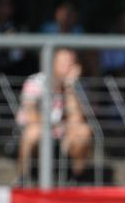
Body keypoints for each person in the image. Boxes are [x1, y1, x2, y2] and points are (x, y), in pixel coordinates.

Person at [15, 49, 92, 184]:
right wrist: (55, 126)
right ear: (52, 64)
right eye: (64, 62)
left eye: (71, 62)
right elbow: (32, 117)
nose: (69, 66)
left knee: (83, 132)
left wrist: (69, 88)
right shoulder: (35, 82)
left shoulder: (76, 85)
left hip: (63, 136)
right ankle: (23, 179)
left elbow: (77, 119)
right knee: (33, 132)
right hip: (40, 134)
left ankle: (77, 180)